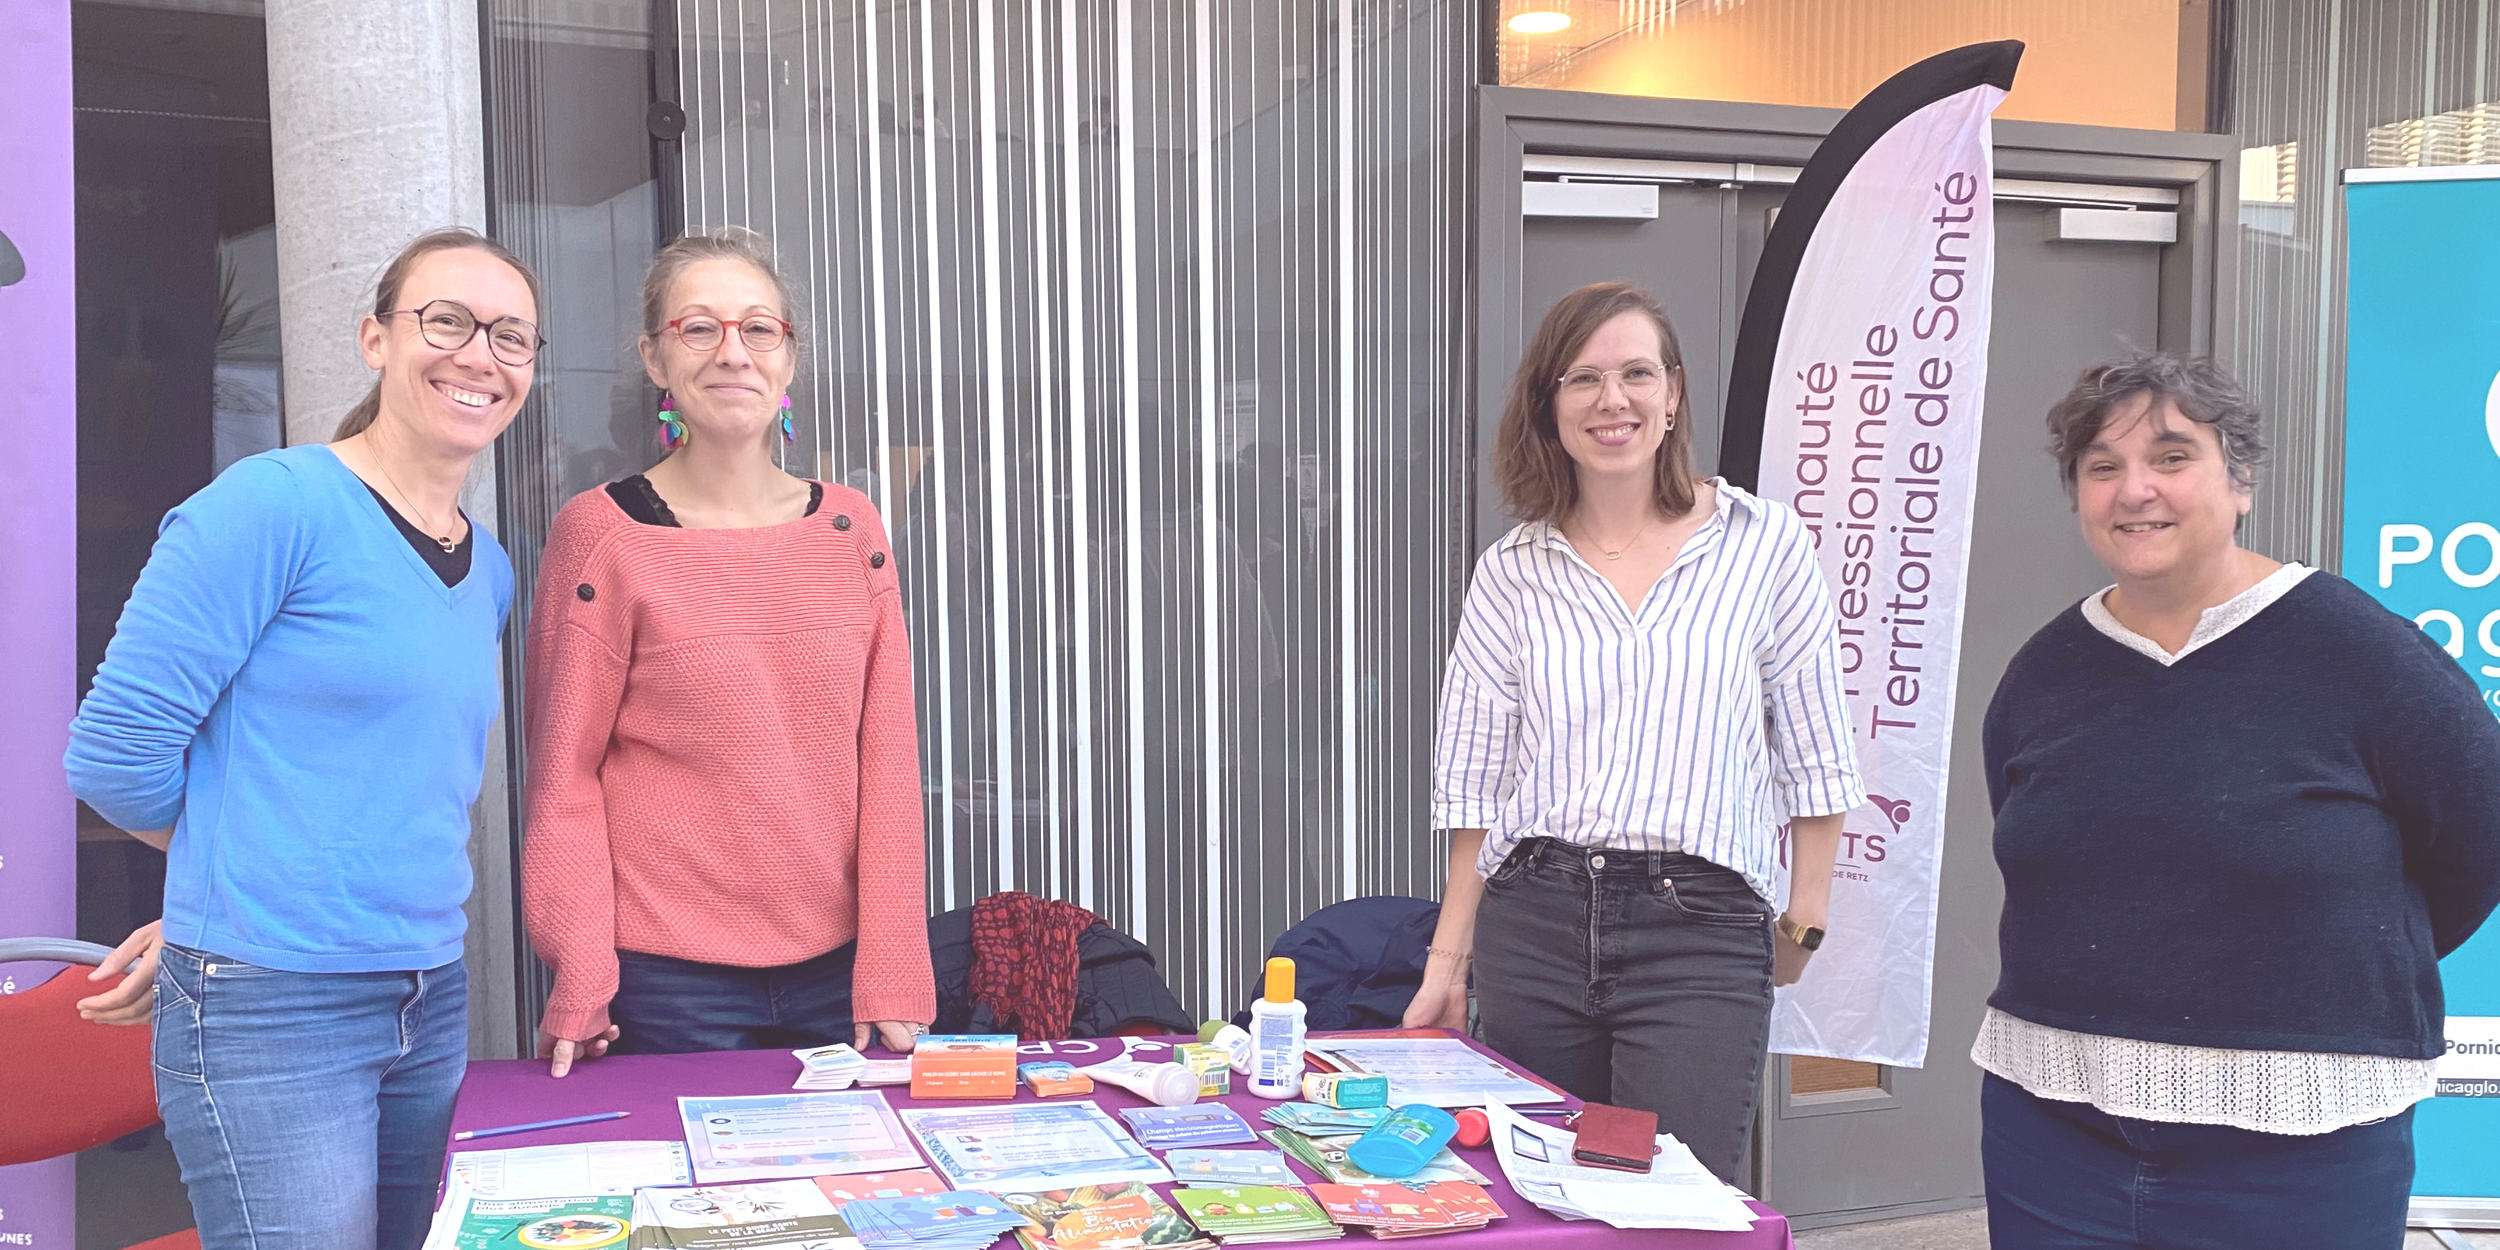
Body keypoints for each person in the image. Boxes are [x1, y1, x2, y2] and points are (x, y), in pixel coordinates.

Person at [63, 228, 539, 1250]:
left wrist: (246, 869)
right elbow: (113, 753)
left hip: (429, 990)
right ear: (375, 338)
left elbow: (373, 780)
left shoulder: (488, 567)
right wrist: (236, 888)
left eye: (511, 336)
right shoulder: (272, 506)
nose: (480, 354)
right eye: (447, 321)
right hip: (272, 1007)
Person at [1974, 353, 2500, 1249]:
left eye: (2172, 457)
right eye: (2102, 466)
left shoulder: (2365, 656)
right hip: (2053, 1134)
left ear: (2241, 479)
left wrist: (2312, 957)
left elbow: (2475, 844)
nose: (2135, 489)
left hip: (2299, 1150)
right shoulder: (2043, 673)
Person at [1405, 281, 1865, 1183]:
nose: (1611, 399)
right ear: (1550, 405)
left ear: (1674, 393)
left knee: (1679, 1203)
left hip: (1700, 930)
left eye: (1636, 374)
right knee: (1542, 1195)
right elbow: (1474, 788)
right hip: (1534, 919)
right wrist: (1447, 962)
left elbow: (1816, 748)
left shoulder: (1762, 543)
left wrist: (1805, 918)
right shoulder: (1511, 571)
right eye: (1582, 378)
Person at [522, 229, 933, 1075]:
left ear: (789, 357)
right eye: (699, 328)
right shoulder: (601, 537)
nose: (732, 352)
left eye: (758, 329)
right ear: (655, 357)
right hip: (664, 981)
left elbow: (889, 760)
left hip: (839, 973)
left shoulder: (852, 529)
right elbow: (565, 774)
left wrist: (894, 962)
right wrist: (582, 971)